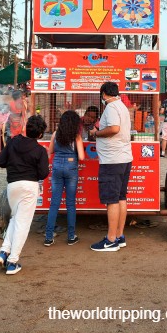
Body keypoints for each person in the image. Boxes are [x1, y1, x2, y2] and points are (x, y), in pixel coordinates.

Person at [0, 115, 49, 275]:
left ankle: (4, 251)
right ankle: (13, 261)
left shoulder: (12, 142)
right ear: (40, 135)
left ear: (26, 127)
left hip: (12, 185)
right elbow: (43, 173)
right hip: (29, 186)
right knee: (23, 224)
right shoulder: (40, 150)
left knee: (15, 219)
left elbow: (0, 161)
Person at [88, 81, 132, 252]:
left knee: (112, 200)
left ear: (104, 94)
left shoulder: (112, 107)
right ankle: (119, 236)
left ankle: (111, 240)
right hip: (123, 158)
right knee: (121, 197)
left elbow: (114, 128)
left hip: (113, 160)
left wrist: (96, 133)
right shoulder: (121, 106)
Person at [44, 110, 86, 247]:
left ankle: (49, 237)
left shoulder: (56, 134)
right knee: (70, 204)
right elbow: (81, 157)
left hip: (56, 167)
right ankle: (71, 236)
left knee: (54, 204)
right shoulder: (77, 136)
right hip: (71, 168)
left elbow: (50, 151)